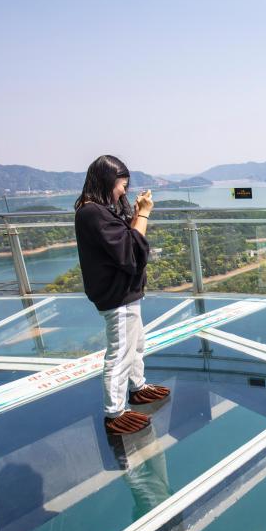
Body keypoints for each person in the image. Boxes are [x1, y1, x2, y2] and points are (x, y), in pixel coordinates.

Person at [74, 155, 170, 434]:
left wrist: (136, 212)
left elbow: (126, 241)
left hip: (124, 292)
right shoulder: (93, 212)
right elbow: (131, 252)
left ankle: (137, 387)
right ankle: (114, 412)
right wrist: (144, 214)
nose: (123, 191)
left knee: (135, 344)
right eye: (122, 185)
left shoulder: (98, 210)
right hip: (117, 294)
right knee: (120, 352)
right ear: (107, 181)